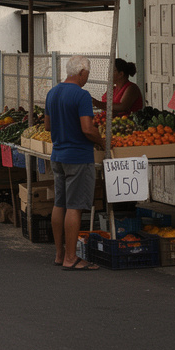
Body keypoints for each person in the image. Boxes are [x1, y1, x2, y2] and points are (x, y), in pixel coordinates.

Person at [45, 55, 105, 270]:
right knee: (75, 207)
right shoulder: (81, 95)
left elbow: (47, 126)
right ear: (81, 73)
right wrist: (102, 142)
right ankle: (72, 257)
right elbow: (88, 129)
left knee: (59, 204)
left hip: (58, 156)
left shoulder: (52, 93)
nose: (86, 78)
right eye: (87, 74)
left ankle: (60, 254)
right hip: (78, 157)